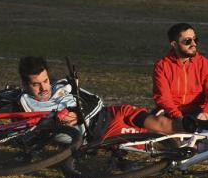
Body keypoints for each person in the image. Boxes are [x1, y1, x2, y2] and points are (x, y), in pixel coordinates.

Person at [16, 55, 182, 142]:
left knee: (162, 124)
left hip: (113, 113)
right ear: (24, 84)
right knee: (158, 141)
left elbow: (95, 101)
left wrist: (78, 114)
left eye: (45, 81)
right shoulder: (24, 103)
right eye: (36, 84)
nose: (44, 87)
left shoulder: (62, 85)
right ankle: (197, 147)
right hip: (105, 132)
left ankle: (202, 133)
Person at [152, 22, 208, 132]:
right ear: (174, 44)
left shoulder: (206, 64)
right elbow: (163, 98)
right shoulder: (162, 66)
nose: (193, 44)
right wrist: (179, 117)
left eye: (195, 39)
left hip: (199, 113)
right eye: (187, 41)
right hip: (173, 114)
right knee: (153, 122)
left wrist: (206, 113)